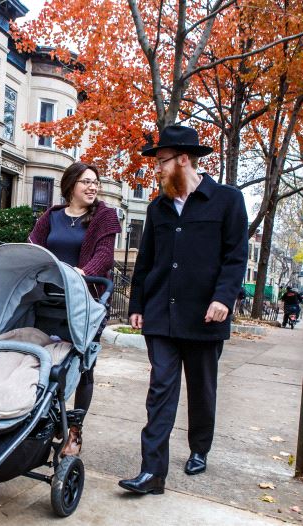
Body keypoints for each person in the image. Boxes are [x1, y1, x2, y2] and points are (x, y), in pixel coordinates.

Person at [118, 125, 248, 495]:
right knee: (160, 389)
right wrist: (137, 305)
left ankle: (199, 448)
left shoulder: (227, 200)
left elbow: (235, 257)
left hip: (206, 314)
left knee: (202, 389)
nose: (156, 170)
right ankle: (152, 473)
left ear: (184, 160)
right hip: (161, 313)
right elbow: (145, 261)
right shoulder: (158, 207)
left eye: (161, 162)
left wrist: (224, 298)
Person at [29, 161, 121, 456]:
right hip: (50, 300)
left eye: (95, 182)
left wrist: (81, 274)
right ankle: (44, 415)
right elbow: (33, 247)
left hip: (87, 301)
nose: (92, 186)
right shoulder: (52, 216)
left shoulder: (104, 216)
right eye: (86, 181)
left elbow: (105, 255)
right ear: (70, 186)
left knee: (83, 366)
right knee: (44, 360)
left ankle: (76, 431)